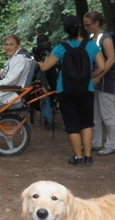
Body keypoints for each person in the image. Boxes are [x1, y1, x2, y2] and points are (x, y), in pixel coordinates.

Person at [38, 16, 103, 166]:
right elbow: (102, 67)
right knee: (86, 123)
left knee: (72, 124)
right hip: (86, 89)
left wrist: (39, 63)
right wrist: (88, 77)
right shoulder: (92, 46)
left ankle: (78, 158)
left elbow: (45, 67)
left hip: (65, 90)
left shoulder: (61, 47)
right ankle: (88, 157)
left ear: (65, 30)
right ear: (79, 27)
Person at [84, 11, 115, 156]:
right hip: (95, 78)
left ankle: (112, 144)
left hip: (106, 78)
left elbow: (111, 60)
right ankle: (96, 142)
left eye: (88, 25)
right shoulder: (92, 37)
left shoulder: (106, 38)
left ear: (97, 23)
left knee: (108, 112)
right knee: (95, 113)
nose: (86, 27)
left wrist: (100, 76)